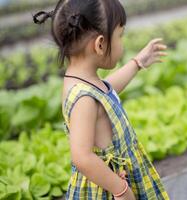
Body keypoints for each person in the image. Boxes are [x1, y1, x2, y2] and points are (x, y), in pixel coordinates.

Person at [33, 0, 170, 199]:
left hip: (115, 178)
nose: (122, 42)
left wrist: (137, 63)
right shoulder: (83, 99)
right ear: (100, 44)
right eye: (120, 36)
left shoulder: (83, 82)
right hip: (106, 188)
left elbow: (107, 91)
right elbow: (82, 157)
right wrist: (120, 189)